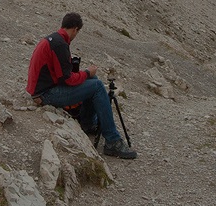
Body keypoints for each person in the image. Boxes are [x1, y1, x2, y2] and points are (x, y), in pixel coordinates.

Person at [26, 12, 137, 159]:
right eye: (77, 32)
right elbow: (66, 80)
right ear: (75, 29)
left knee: (93, 80)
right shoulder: (60, 44)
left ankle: (88, 122)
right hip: (45, 94)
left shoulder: (55, 39)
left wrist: (86, 74)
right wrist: (86, 73)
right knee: (96, 85)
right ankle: (112, 142)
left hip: (42, 88)